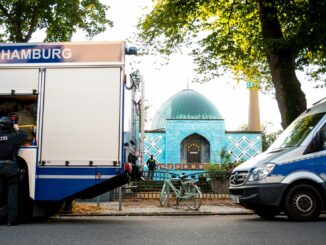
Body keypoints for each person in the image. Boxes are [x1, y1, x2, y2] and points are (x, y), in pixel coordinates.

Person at [0, 116, 26, 226]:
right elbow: (23, 136)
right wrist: (18, 128)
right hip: (9, 168)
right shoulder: (13, 137)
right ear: (10, 126)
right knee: (12, 194)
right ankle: (11, 220)